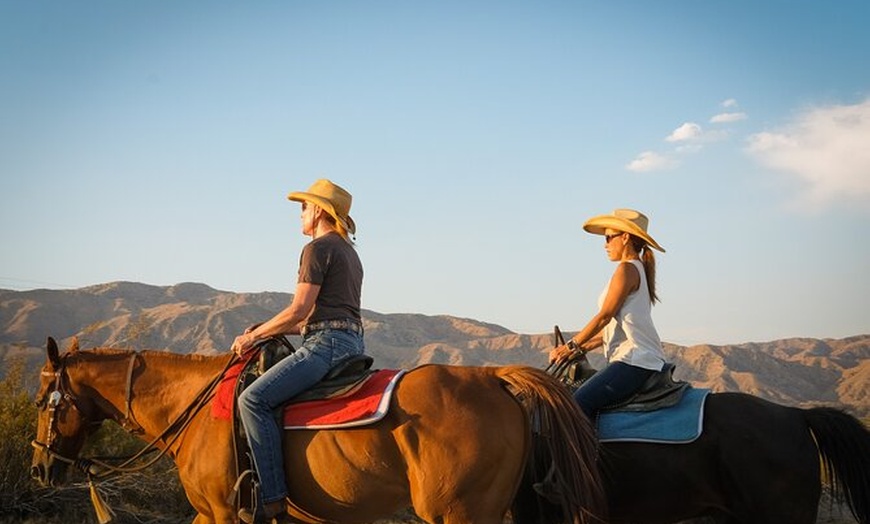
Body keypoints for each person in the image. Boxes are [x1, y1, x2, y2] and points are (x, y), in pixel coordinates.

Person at [231, 179, 365, 524]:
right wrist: (264, 330)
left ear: (319, 210)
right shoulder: (350, 253)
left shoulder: (317, 249)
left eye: (304, 208)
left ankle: (274, 499)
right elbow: (316, 319)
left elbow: (298, 310)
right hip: (350, 342)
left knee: (252, 401)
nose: (301, 215)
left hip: (325, 348)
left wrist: (251, 337)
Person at [549, 208, 666, 419]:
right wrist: (580, 349)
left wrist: (569, 347)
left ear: (625, 237)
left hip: (635, 360)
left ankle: (586, 453)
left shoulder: (627, 270)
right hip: (636, 358)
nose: (605, 245)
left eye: (609, 237)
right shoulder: (636, 269)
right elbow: (611, 331)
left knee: (576, 405)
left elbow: (605, 316)